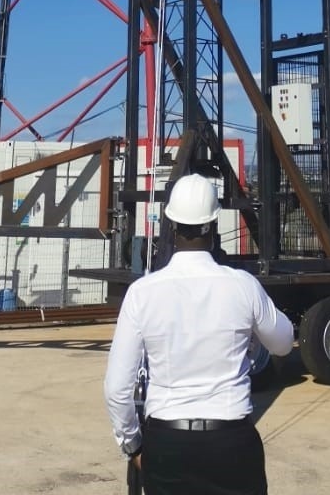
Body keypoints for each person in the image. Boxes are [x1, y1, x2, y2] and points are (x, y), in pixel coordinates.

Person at [104, 173, 295, 495]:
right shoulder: (242, 286)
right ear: (214, 224)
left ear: (171, 225)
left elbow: (117, 389)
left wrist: (133, 446)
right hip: (231, 442)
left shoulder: (142, 293)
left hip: (167, 443)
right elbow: (283, 344)